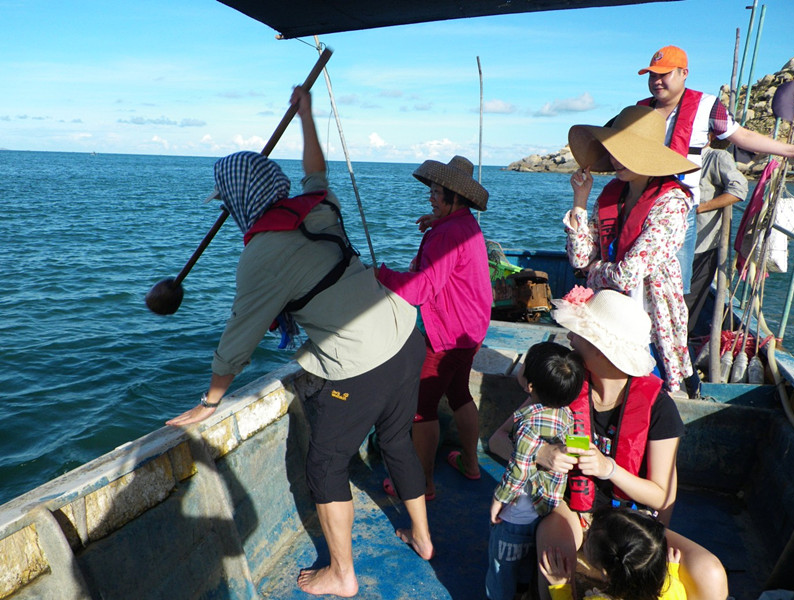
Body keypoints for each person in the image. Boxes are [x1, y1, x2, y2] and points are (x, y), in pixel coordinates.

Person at [166, 87, 433, 598]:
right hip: (406, 335)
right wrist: (307, 115)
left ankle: (343, 574)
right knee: (396, 440)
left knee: (326, 464)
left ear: (239, 202)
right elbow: (316, 166)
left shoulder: (261, 254)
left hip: (361, 366)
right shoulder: (317, 202)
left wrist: (209, 403)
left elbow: (238, 339)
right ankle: (422, 538)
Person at [533, 287, 728, 600]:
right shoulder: (564, 385)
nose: (569, 339)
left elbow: (660, 496)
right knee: (558, 551)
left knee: (710, 572)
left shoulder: (659, 409)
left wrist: (608, 468)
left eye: (578, 334)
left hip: (631, 521)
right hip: (575, 511)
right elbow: (503, 439)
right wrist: (543, 452)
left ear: (600, 350)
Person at [635, 45, 794, 295]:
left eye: (664, 74)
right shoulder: (639, 110)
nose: (656, 81)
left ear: (683, 73)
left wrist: (790, 150)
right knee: (636, 278)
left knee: (673, 286)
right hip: (640, 206)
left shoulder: (707, 105)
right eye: (652, 75)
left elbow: (741, 136)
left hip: (680, 211)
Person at [377, 155, 493, 499]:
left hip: (446, 336)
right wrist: (437, 222)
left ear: (456, 198)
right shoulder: (462, 225)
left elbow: (421, 289)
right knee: (458, 394)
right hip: (471, 330)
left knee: (420, 409)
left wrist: (379, 274)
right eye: (432, 189)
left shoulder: (447, 233)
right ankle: (471, 465)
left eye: (438, 192)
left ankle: (421, 484)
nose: (431, 195)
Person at [565, 104, 698, 392]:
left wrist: (596, 271)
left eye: (624, 151)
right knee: (604, 386)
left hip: (650, 309)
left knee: (644, 386)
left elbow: (629, 274)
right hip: (608, 309)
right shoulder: (612, 194)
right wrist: (580, 200)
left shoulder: (672, 202)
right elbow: (579, 258)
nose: (614, 159)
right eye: (612, 150)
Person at [486, 342, 585, 600]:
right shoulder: (568, 416)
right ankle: (522, 591)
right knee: (527, 559)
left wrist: (500, 500)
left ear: (530, 386)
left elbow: (518, 471)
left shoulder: (526, 421)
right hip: (548, 506)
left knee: (502, 564)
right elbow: (579, 445)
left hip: (518, 513)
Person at [540, 506, 687, 600]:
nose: (587, 532)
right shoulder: (672, 587)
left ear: (605, 572)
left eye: (589, 534)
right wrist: (672, 569)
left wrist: (561, 586)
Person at [684, 138, 749, 335]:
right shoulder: (677, 155)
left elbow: (739, 189)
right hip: (673, 244)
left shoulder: (716, 157)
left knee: (689, 301)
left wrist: (698, 209)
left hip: (701, 243)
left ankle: (679, 344)